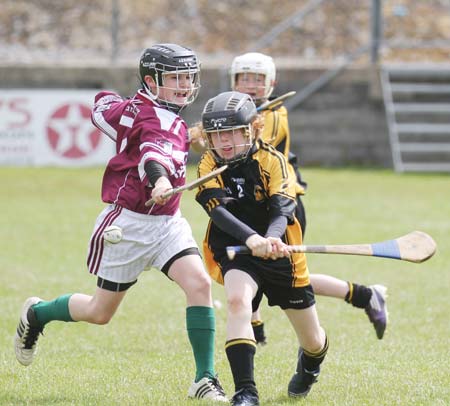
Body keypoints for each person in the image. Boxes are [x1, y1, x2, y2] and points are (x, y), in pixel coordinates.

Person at [13, 43, 227, 402]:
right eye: (175, 78)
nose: (186, 85)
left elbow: (104, 107)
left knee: (199, 284)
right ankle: (37, 314)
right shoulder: (157, 120)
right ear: (150, 80)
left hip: (167, 223)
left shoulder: (138, 107)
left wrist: (181, 136)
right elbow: (151, 155)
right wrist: (159, 180)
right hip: (129, 225)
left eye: (188, 76)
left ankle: (204, 379)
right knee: (99, 313)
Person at [230, 52, 388, 344]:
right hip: (252, 204)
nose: (250, 84)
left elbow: (250, 147)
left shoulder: (274, 115)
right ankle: (365, 295)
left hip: (282, 206)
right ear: (233, 81)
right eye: (244, 78)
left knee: (285, 278)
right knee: (257, 270)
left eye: (258, 79)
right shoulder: (232, 114)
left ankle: (365, 296)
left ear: (271, 83)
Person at [196, 91, 329, 405]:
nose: (224, 142)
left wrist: (271, 238)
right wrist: (251, 240)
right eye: (216, 135)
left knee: (312, 340)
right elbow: (218, 210)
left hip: (283, 251)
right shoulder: (208, 163)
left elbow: (282, 208)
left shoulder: (273, 159)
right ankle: (245, 392)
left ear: (250, 130)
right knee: (238, 302)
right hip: (235, 247)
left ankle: (311, 365)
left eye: (232, 133)